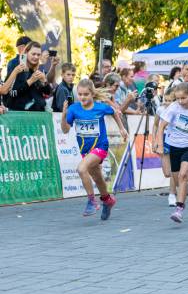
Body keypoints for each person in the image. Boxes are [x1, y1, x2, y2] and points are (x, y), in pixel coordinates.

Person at [61, 79, 128, 220]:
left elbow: (114, 112)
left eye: (86, 94)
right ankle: (107, 200)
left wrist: (122, 129)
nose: (82, 97)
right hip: (85, 150)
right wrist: (63, 115)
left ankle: (92, 201)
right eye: (80, 94)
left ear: (92, 94)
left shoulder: (100, 107)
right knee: (97, 177)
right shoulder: (73, 109)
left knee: (81, 169)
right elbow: (65, 130)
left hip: (100, 147)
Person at [153, 83, 188, 224]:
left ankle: (179, 210)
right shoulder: (174, 107)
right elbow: (161, 126)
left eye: (183, 98)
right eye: (178, 98)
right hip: (174, 147)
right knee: (178, 180)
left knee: (182, 176)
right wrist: (160, 145)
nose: (180, 101)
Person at [5, 41, 52, 112]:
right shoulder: (17, 69)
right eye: (33, 54)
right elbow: (11, 94)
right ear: (26, 53)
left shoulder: (36, 70)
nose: (36, 57)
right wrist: (30, 81)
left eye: (38, 55)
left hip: (38, 114)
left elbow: (47, 92)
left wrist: (44, 81)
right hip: (20, 114)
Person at [153, 88, 178, 207]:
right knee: (167, 173)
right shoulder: (160, 109)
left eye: (170, 100)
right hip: (163, 139)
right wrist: (154, 140)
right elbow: (155, 125)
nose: (167, 103)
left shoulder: (179, 110)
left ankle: (172, 194)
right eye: (165, 100)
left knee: (174, 170)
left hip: (176, 140)